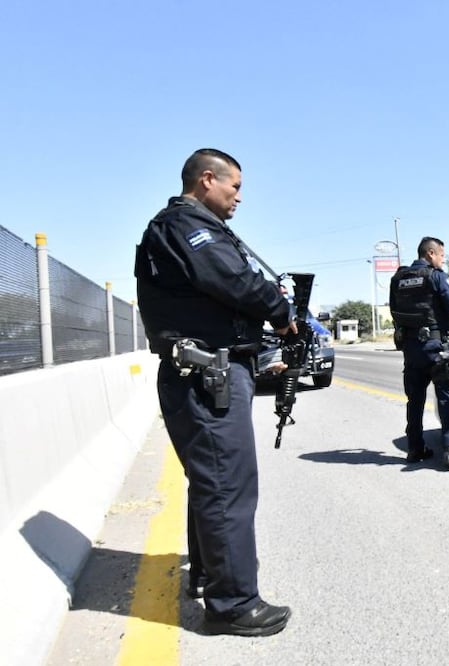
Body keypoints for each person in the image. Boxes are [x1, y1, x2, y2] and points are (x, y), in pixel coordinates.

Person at [134, 148, 294, 637]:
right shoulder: (187, 227)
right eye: (234, 186)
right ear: (207, 179)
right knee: (227, 486)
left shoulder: (185, 228)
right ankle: (232, 605)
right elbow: (235, 281)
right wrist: (281, 309)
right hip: (206, 378)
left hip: (206, 375)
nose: (239, 197)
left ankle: (208, 575)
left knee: (212, 482)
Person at [389, 236, 449, 468]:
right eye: (442, 255)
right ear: (430, 254)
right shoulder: (436, 276)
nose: (443, 260)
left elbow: (394, 310)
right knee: (448, 398)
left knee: (414, 401)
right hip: (435, 348)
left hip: (411, 349)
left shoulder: (398, 279)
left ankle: (415, 449)